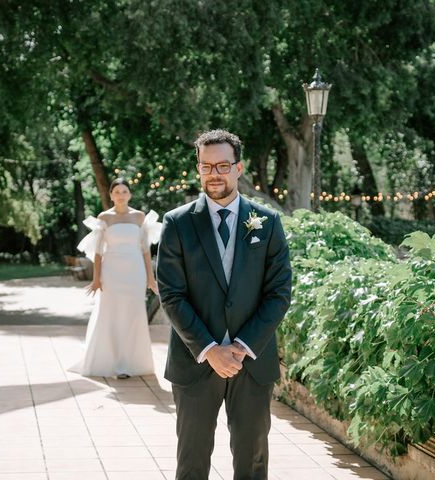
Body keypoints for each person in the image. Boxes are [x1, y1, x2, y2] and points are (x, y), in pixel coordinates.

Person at [156, 129, 292, 479]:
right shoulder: (177, 223)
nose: (214, 173)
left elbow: (278, 292)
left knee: (252, 461)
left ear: (239, 168)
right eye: (206, 166)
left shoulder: (269, 222)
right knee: (192, 462)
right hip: (195, 361)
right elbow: (171, 294)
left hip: (252, 362)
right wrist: (210, 349)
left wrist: (243, 345)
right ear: (198, 168)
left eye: (222, 165)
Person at [71, 177, 161, 379]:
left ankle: (132, 363)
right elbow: (98, 252)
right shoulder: (104, 217)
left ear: (129, 194)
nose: (121, 195)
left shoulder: (139, 217)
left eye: (124, 191)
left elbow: (145, 250)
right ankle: (111, 362)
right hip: (111, 272)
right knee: (110, 314)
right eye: (117, 192)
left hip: (135, 270)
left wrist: (150, 278)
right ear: (111, 195)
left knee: (134, 314)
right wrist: (96, 280)